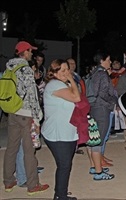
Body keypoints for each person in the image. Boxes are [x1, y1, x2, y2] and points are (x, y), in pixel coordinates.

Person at [3, 41, 49, 195]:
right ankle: (33, 185)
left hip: (12, 112)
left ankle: (8, 181)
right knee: (29, 151)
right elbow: (32, 96)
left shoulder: (9, 67)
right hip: (25, 114)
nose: (32, 54)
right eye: (30, 51)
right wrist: (37, 119)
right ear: (25, 51)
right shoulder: (26, 69)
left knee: (11, 149)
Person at [41, 59, 80, 200]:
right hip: (57, 133)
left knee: (65, 165)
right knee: (64, 165)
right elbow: (76, 97)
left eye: (67, 69)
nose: (66, 73)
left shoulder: (64, 84)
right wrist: (71, 79)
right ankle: (60, 196)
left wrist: (70, 81)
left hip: (68, 132)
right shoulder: (54, 85)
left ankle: (60, 193)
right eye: (62, 70)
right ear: (54, 73)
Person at [86, 50, 116, 180]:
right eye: (108, 60)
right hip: (102, 109)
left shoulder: (94, 73)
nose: (110, 62)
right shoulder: (103, 75)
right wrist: (113, 101)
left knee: (92, 138)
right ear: (102, 61)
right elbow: (103, 93)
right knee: (98, 140)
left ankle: (94, 166)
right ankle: (99, 172)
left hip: (93, 108)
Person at [67, 58, 86, 155]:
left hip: (79, 103)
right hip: (71, 103)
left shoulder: (76, 76)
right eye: (70, 63)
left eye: (74, 63)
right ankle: (70, 147)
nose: (73, 65)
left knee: (77, 126)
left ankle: (75, 146)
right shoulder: (65, 77)